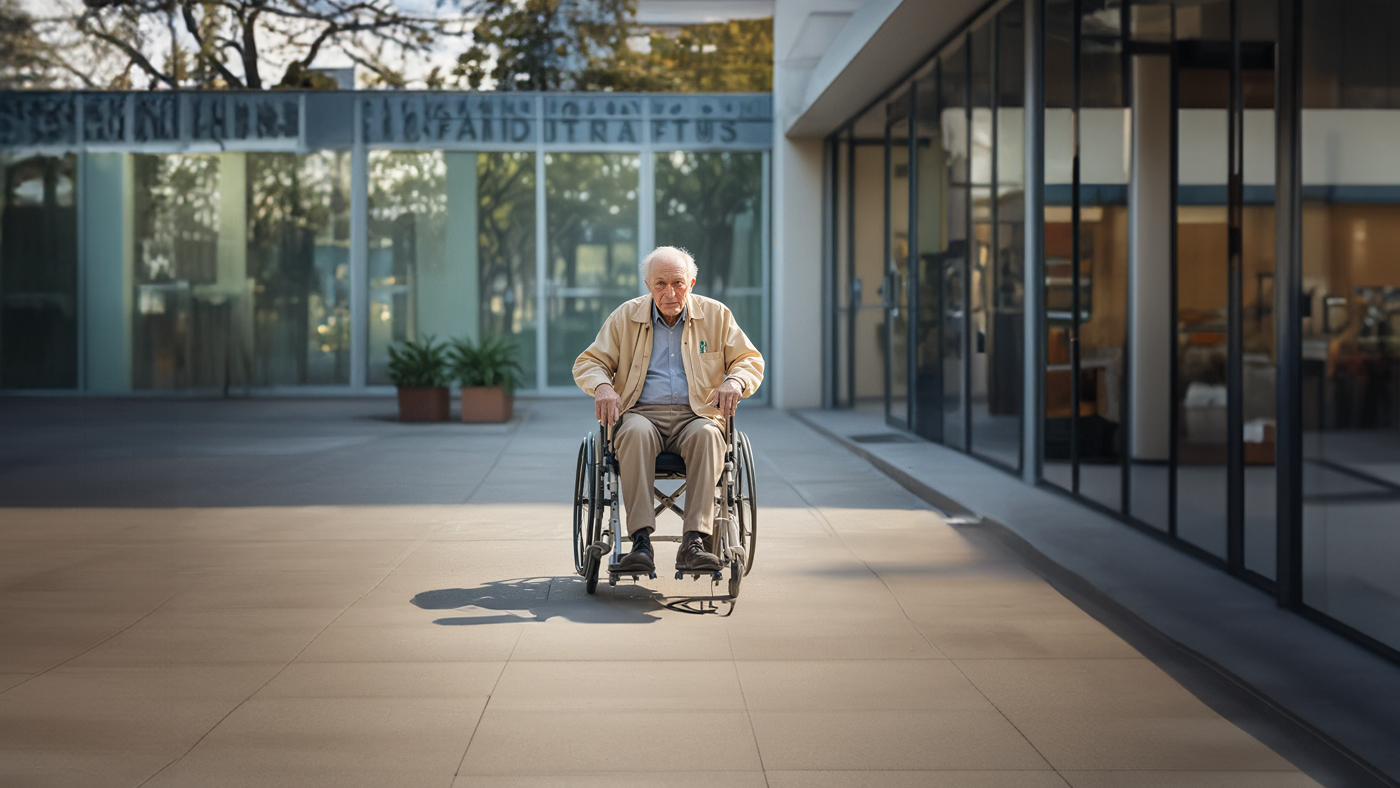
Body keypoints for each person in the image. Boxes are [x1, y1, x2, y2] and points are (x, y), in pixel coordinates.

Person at [572, 246, 764, 573]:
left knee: (709, 436)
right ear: (648, 285)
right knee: (631, 433)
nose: (670, 292)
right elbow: (590, 362)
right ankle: (641, 542)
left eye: (677, 282)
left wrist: (735, 382)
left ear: (691, 282)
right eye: (660, 284)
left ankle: (694, 542)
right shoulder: (625, 317)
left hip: (698, 414)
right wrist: (603, 387)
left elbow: (749, 361)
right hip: (641, 413)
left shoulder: (716, 316)